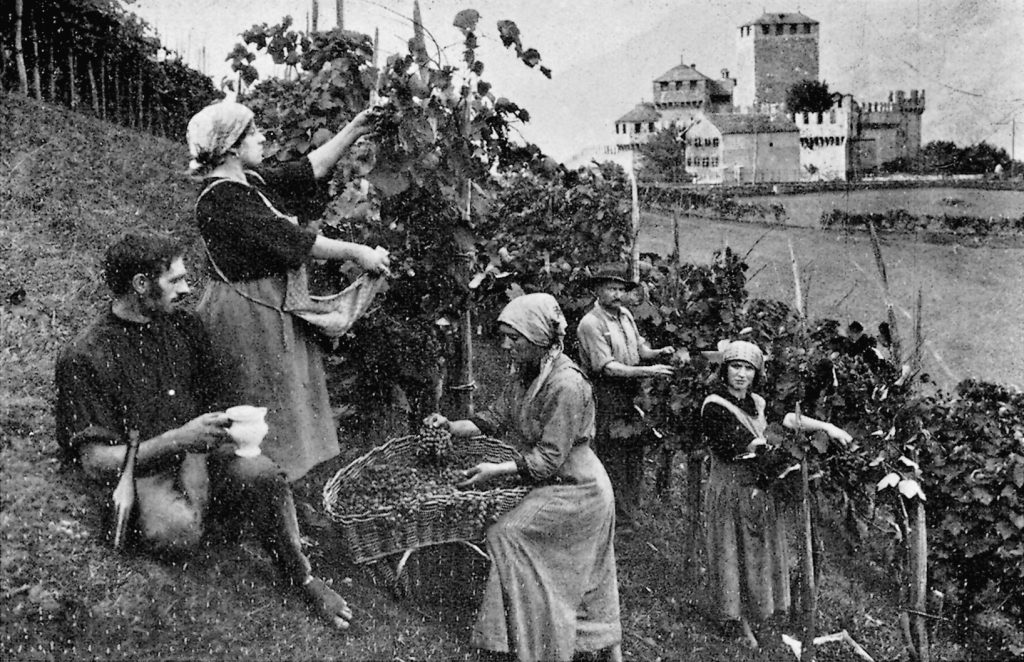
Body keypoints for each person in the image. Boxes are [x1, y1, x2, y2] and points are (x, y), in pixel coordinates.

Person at [54, 231, 354, 629]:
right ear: (141, 285)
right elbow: (95, 463)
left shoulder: (185, 325)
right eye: (175, 280)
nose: (187, 288)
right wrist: (180, 439)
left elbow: (216, 401)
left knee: (262, 474)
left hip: (196, 453)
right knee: (177, 534)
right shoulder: (85, 355)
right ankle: (205, 522)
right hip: (143, 469)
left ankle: (302, 575)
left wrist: (227, 433)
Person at [186, 100, 390, 483]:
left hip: (269, 303)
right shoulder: (220, 197)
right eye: (254, 134)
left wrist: (356, 128)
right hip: (245, 314)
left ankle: (282, 486)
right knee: (262, 398)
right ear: (231, 147)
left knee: (283, 397)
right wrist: (357, 252)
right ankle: (259, 491)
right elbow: (295, 240)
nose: (263, 139)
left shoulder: (249, 182)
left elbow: (309, 169)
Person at [424, 293, 622, 662]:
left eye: (513, 338)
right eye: (503, 336)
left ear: (538, 339)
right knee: (516, 540)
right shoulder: (525, 374)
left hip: (580, 491)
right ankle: (512, 636)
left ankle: (534, 640)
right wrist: (450, 426)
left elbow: (548, 459)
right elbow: (491, 419)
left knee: (507, 534)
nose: (505, 345)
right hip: (556, 484)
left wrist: (493, 471)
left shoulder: (567, 384)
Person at [701, 340, 852, 650]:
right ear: (724, 370)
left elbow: (787, 420)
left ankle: (758, 615)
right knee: (735, 554)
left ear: (756, 374)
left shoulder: (757, 401)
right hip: (732, 492)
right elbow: (746, 445)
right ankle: (739, 620)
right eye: (735, 367)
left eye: (748, 369)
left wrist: (828, 427)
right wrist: (778, 453)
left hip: (758, 491)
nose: (741, 374)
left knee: (759, 553)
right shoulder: (714, 406)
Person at [575, 263, 677, 534]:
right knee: (613, 456)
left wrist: (656, 353)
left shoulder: (625, 316)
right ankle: (612, 519)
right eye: (611, 288)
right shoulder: (591, 323)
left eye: (621, 289)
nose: (618, 294)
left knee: (633, 455)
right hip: (607, 393)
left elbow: (639, 347)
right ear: (598, 290)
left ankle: (627, 516)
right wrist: (648, 371)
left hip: (631, 392)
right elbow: (607, 367)